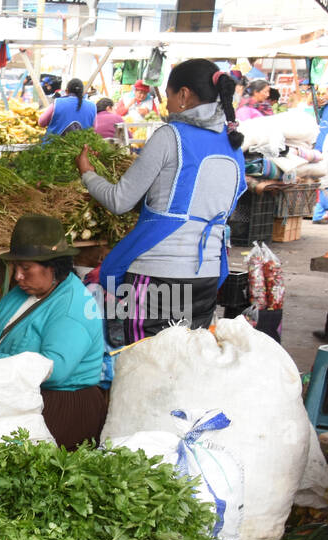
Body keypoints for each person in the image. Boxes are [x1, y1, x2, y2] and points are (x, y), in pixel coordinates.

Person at [79, 59, 245, 345]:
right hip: (206, 277)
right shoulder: (233, 145)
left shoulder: (171, 136)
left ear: (183, 94)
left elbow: (120, 200)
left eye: (167, 96)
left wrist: (87, 173)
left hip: (157, 277)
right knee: (188, 365)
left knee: (146, 367)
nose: (167, 105)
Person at [0, 215, 108, 449]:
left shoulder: (72, 307)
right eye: (15, 267)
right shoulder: (21, 293)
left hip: (63, 405)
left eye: (26, 268)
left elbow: (54, 370)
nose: (17, 276)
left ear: (53, 267)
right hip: (19, 395)